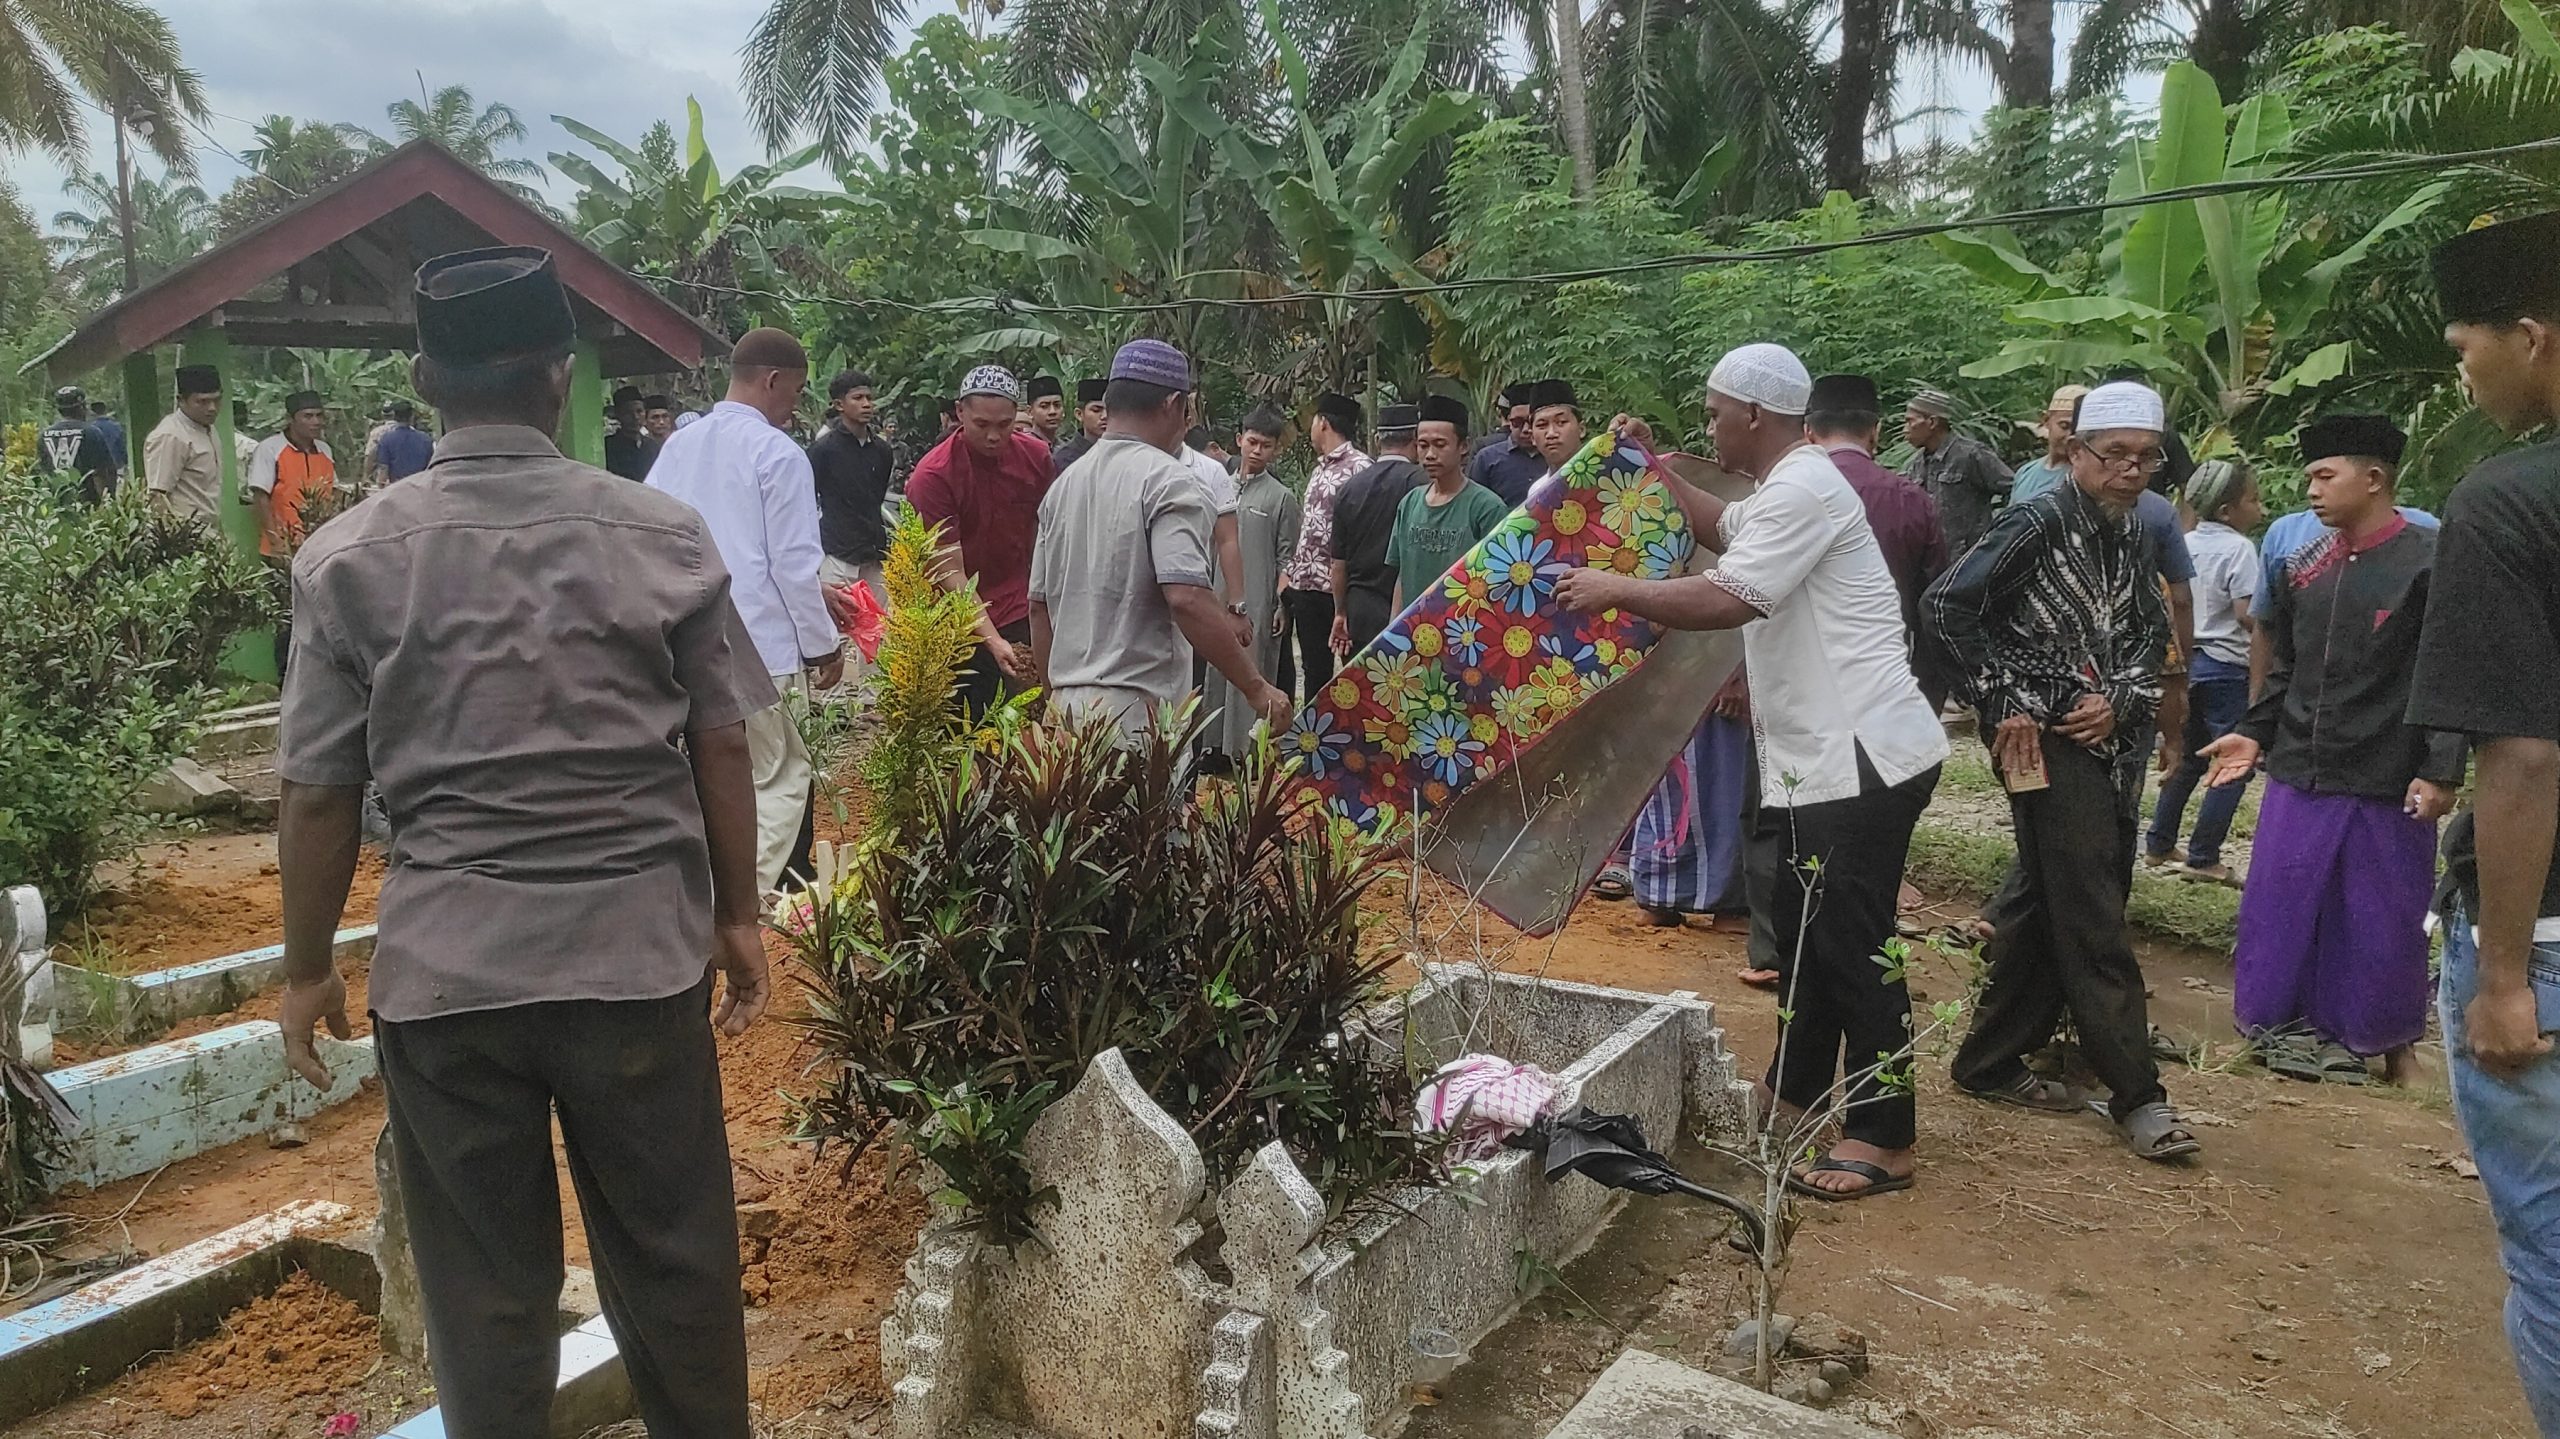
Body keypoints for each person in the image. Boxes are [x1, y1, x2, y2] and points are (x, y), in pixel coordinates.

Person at [274, 246, 767, 1439]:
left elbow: (320, 792)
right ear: (559, 378)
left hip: (448, 977)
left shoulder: (343, 558)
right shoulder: (663, 535)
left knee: (484, 1296)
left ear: (423, 381)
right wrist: (739, 914)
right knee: (677, 1265)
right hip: (635, 962)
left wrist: (302, 968)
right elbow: (720, 745)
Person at [1557, 343, 1947, 1201]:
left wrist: (1612, 587)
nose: (1709, 425)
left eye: (1714, 411)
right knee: (1809, 937)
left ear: (1755, 417)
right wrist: (1649, 464)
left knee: (1852, 941)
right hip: (1824, 761)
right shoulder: (1784, 490)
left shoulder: (1805, 489)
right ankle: (1793, 1092)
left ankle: (1886, 1134)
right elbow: (1712, 523)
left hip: (1862, 756)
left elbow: (1729, 595)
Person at [1925, 379, 2200, 1164]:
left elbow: (2150, 634)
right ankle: (2138, 1095)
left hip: (2104, 741)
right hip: (2036, 742)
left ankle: (1989, 1059)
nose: (2133, 471)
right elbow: (1947, 605)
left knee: (2055, 895)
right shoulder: (2037, 520)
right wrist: (2003, 696)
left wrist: (2117, 696)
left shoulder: (2127, 529)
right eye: (2115, 456)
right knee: (2092, 907)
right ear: (2076, 453)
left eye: (2147, 458)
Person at [2408, 210, 2560, 1438]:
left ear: (2532, 334)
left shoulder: (2507, 503)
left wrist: (2502, 973)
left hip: (2549, 938)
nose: (2463, 370)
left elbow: (2519, 757)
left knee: (2554, 1249)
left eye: (2466, 343)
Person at [2192, 418, 2458, 1089]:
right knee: (2277, 902)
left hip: (2387, 773)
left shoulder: (2433, 561)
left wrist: (2440, 767)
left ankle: (2394, 1043)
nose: (2309, 489)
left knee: (2385, 914)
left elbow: (2449, 671)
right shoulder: (2302, 564)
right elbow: (2287, 663)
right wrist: (2255, 731)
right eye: (2309, 476)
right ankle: (2263, 1028)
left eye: (2323, 475)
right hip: (2299, 770)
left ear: (2373, 479)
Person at [646, 328, 844, 890]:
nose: (796, 406)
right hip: (762, 648)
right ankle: (759, 899)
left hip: (687, 640)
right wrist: (822, 643)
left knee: (711, 777)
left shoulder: (678, 447)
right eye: (798, 392)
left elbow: (659, 538)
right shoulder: (777, 452)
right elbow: (792, 564)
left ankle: (709, 889)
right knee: (780, 776)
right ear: (773, 380)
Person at [1028, 339, 1289, 740]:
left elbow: (1038, 608)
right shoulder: (1169, 481)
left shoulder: (1063, 487)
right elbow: (1186, 597)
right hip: (1136, 715)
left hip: (1067, 711)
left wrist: (1053, 705)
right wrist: (1257, 689)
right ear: (1172, 404)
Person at [904, 365, 1056, 715]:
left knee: (1033, 724)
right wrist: (992, 639)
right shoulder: (934, 475)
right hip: (956, 617)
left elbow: (1046, 537)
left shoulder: (1036, 458)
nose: (993, 436)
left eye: (1004, 425)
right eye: (981, 425)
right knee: (973, 726)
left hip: (1020, 605)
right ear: (960, 412)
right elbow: (949, 570)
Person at [2144, 461, 2264, 882]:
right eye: (2254, 500)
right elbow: (2247, 612)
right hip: (2228, 666)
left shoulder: (2184, 542)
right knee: (2233, 763)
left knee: (2191, 758)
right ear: (2228, 511)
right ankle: (2203, 856)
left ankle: (2158, 844)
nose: (2262, 510)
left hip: (2187, 663)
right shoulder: (2239, 550)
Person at [1806, 374, 1949, 706]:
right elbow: (1934, 604)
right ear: (1876, 431)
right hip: (1887, 683)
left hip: (1804, 687)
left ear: (1808, 432)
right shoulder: (1911, 499)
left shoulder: (1781, 495)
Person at [1205, 406, 1301, 757]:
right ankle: (1212, 746)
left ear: (1277, 450)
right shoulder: (1219, 488)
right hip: (1216, 595)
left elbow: (1288, 556)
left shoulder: (1281, 497)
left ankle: (1247, 749)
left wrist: (1281, 604)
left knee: (1253, 668)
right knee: (1216, 665)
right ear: (1238, 440)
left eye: (1266, 445)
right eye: (1252, 442)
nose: (1257, 450)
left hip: (1259, 600)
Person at [1387, 396, 1509, 613]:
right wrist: (1392, 630)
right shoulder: (1409, 503)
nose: (1430, 455)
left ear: (1464, 446)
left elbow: (1500, 581)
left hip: (1464, 633)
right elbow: (1401, 577)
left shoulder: (1486, 508)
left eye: (1440, 445)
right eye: (1423, 446)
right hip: (1414, 633)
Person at [1284, 392, 1370, 692]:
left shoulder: (1360, 467)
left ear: (1323, 423)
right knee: (1313, 671)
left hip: (1337, 590)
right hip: (1306, 587)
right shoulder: (1321, 468)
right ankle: (1312, 736)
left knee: (1350, 672)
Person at [1327, 401, 1422, 656]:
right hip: (1410, 609)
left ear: (1377, 439)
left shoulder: (1349, 489)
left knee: (1365, 691)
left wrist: (1340, 613)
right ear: (1416, 437)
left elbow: (1338, 564)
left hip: (1360, 611)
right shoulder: (1423, 487)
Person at [808, 369, 896, 605]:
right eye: (857, 398)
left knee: (881, 629)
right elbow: (808, 500)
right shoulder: (823, 450)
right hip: (838, 554)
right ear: (839, 404)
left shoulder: (882, 451)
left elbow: (876, 497)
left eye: (868, 398)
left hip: (874, 553)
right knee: (841, 628)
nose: (866, 404)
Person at [1903, 387, 2013, 560]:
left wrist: (1998, 536)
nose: (1905, 429)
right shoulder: (1916, 465)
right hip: (1932, 564)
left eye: (1910, 421)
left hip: (1970, 562)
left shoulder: (1971, 455)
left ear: (1932, 422)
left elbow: (2014, 489)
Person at [246, 390, 338, 561]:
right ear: (291, 419)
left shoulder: (325, 450)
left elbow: (334, 492)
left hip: (320, 543)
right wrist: (275, 541)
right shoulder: (270, 449)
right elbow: (261, 497)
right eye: (308, 416)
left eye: (319, 416)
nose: (316, 422)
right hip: (284, 546)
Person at [144, 366, 225, 523]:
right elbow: (158, 497)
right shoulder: (171, 436)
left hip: (209, 530)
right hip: (185, 534)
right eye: (202, 401)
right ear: (181, 400)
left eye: (216, 400)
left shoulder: (208, 429)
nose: (212, 408)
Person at [2006, 385, 2091, 506]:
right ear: (2046, 420)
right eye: (2064, 426)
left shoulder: (2087, 477)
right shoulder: (2025, 472)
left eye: (2079, 430)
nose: (2070, 436)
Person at [1465, 382, 1544, 507]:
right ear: (1509, 421)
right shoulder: (1486, 459)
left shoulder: (1559, 456)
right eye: (1518, 422)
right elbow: (1472, 505)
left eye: (1531, 421)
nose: (1525, 429)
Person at [36, 385, 118, 504]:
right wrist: (108, 502)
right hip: (88, 504)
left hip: (56, 505)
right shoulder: (91, 433)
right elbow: (103, 472)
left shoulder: (44, 435)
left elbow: (43, 472)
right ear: (82, 407)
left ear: (59, 410)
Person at [1526, 378, 1587, 477]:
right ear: (1532, 437)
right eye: (1542, 425)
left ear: (1581, 429)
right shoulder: (1539, 490)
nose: (1551, 433)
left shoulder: (1607, 474)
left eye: (1561, 422)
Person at [372, 401, 436, 485]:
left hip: (397, 487)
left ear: (394, 416)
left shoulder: (386, 439)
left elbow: (383, 469)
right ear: (412, 417)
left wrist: (381, 485)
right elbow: (431, 468)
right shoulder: (426, 439)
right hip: (421, 487)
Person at [1056, 377, 1107, 471]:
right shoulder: (1064, 458)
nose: (1105, 416)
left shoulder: (1123, 453)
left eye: (1111, 410)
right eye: (1096, 410)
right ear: (1079, 414)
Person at [1024, 375, 1067, 447]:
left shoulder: (1065, 448)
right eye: (1044, 406)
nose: (1052, 412)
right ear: (1030, 411)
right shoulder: (1024, 446)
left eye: (1057, 405)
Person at [88, 399, 125, 469]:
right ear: (105, 410)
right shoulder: (116, 426)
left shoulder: (89, 429)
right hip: (116, 465)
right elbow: (122, 447)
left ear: (92, 412)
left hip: (97, 469)